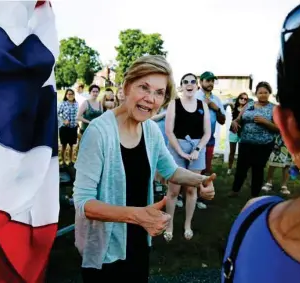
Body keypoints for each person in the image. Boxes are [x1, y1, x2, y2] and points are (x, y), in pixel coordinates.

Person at [222, 2, 300, 282]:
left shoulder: (252, 221)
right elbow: (237, 119)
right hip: (248, 144)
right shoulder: (249, 108)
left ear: (289, 130)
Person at [73, 55, 216, 282]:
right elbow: (84, 203)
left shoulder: (150, 130)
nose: (150, 99)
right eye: (144, 87)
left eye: (159, 93)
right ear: (127, 86)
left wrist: (201, 181)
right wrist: (136, 215)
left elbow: (171, 171)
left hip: (140, 235)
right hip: (105, 247)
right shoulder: (99, 132)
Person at [164, 73, 211, 241]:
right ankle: (169, 225)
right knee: (174, 190)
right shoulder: (173, 104)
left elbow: (207, 133)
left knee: (191, 189)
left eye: (193, 82)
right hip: (177, 147)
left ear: (197, 85)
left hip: (197, 149)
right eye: (186, 82)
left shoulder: (202, 105)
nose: (189, 85)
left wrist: (198, 149)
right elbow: (169, 131)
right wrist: (181, 152)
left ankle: (187, 224)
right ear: (181, 85)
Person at [229, 81, 278, 197]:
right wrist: (234, 122)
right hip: (246, 143)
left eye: (265, 92)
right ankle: (235, 190)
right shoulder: (249, 105)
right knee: (241, 168)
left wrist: (265, 122)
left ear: (269, 93)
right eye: (260, 93)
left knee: (258, 169)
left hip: (264, 145)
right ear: (256, 94)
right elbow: (238, 119)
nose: (263, 95)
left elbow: (278, 129)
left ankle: (255, 195)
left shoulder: (273, 108)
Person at [196, 71, 226, 209]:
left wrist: (216, 108)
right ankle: (183, 194)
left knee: (205, 169)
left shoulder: (217, 100)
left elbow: (223, 121)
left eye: (212, 81)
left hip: (209, 140)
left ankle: (200, 197)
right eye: (208, 81)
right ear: (201, 81)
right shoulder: (194, 96)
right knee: (191, 170)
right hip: (194, 139)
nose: (211, 84)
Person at [227, 92, 248, 175]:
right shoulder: (234, 107)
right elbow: (228, 101)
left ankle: (239, 169)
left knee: (241, 153)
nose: (243, 100)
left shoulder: (247, 109)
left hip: (242, 133)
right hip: (233, 132)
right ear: (238, 98)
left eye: (245, 99)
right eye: (241, 98)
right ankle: (229, 168)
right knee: (232, 152)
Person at [58, 88, 79, 167]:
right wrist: (63, 121)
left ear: (74, 95)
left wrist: (77, 122)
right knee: (63, 145)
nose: (70, 95)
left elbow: (78, 114)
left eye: (72, 94)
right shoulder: (63, 104)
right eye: (68, 94)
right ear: (66, 95)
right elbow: (57, 114)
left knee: (71, 145)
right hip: (64, 128)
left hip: (73, 128)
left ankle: (71, 161)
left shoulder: (76, 104)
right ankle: (63, 161)